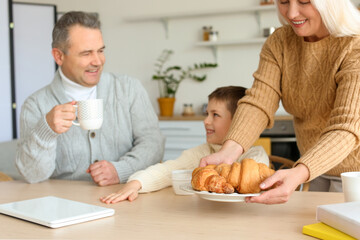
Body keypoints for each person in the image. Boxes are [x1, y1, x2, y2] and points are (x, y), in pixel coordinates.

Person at [200, 0, 360, 204]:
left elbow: (347, 126)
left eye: (304, 1)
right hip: (314, 170)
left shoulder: (355, 44)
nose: (292, 13)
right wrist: (228, 151)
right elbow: (258, 102)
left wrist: (301, 170)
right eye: (284, 1)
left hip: (355, 176)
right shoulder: (280, 42)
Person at [15, 11, 165, 186]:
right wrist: (46, 130)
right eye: (86, 53)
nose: (98, 61)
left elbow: (154, 144)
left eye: (100, 51)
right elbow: (32, 175)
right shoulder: (36, 105)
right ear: (59, 56)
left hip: (123, 198)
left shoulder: (129, 89)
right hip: (63, 206)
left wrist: (121, 170)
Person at [100, 86, 270, 204]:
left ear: (238, 123)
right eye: (207, 114)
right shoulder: (203, 153)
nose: (206, 121)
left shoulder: (255, 157)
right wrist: (135, 183)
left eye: (215, 115)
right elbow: (168, 170)